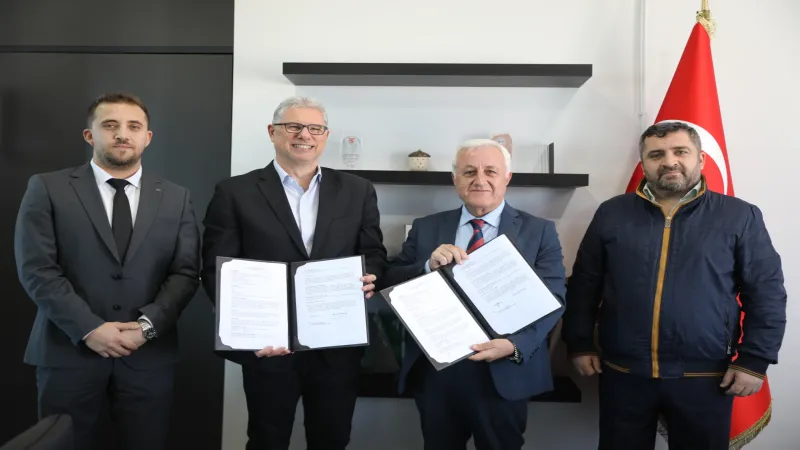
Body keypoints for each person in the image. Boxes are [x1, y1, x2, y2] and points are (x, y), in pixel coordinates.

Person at [562, 121, 787, 450]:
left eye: (680, 151)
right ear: (644, 164)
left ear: (701, 159)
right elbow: (585, 284)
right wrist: (579, 342)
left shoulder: (740, 216)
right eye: (656, 155)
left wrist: (755, 360)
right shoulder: (612, 213)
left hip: (706, 378)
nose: (669, 161)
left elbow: (766, 293)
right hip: (624, 374)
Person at [14, 92, 201, 450]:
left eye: (134, 126)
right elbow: (37, 269)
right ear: (90, 135)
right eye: (110, 125)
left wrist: (147, 327)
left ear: (148, 137)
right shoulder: (47, 188)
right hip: (67, 352)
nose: (122, 134)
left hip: (148, 356)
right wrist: (89, 328)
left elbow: (186, 272)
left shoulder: (176, 197)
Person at [201, 96, 387, 450]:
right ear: (273, 132)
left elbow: (374, 254)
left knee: (332, 440)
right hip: (269, 346)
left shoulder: (357, 190)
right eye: (294, 127)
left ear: (325, 136)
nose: (305, 135)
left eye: (315, 128)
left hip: (336, 345)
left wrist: (370, 276)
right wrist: (244, 333)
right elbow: (216, 269)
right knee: (267, 440)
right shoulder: (235, 192)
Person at [381, 139, 567, 450]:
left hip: (504, 371)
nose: (480, 180)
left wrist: (514, 346)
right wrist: (427, 266)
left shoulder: (539, 231)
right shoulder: (426, 227)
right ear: (455, 179)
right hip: (438, 374)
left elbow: (554, 300)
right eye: (469, 171)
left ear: (507, 177)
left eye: (490, 171)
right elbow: (391, 281)